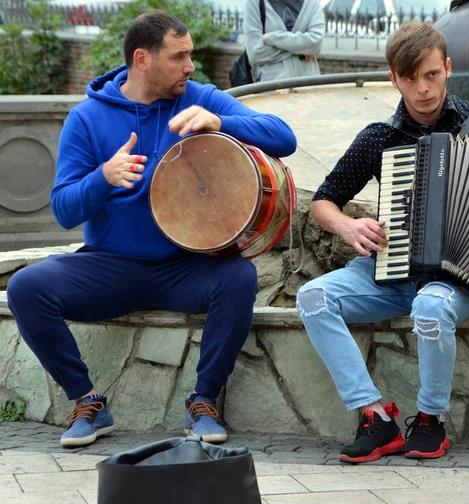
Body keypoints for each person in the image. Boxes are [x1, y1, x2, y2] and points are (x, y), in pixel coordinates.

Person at [6, 10, 296, 449]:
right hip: (109, 267)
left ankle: (203, 401)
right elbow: (65, 210)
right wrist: (103, 177)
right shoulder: (87, 118)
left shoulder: (198, 97)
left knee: (239, 276)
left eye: (190, 55)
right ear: (143, 59)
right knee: (26, 287)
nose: (190, 66)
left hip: (186, 267)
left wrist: (221, 123)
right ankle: (87, 401)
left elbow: (284, 136)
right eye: (179, 57)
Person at [296, 22, 469, 463]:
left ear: (447, 68)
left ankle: (429, 421)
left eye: (431, 75)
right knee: (312, 298)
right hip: (388, 273)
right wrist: (348, 227)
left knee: (430, 305)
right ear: (393, 79)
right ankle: (375, 418)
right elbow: (324, 201)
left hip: (455, 282)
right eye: (409, 78)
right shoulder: (379, 139)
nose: (422, 89)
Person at [244, 0, 325, 82]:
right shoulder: (255, 2)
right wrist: (302, 49)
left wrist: (272, 38)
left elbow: (316, 43)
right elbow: (255, 53)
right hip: (272, 88)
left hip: (310, 87)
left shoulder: (312, 2)